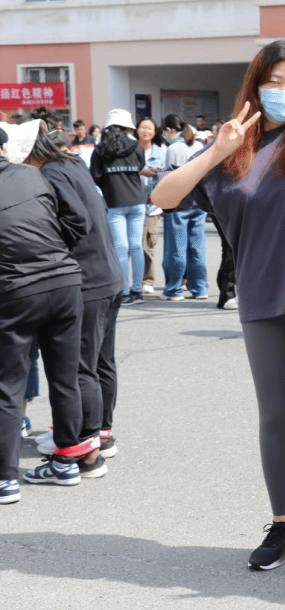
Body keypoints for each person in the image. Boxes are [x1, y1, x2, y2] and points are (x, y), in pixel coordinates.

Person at [151, 40, 285, 576]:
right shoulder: (230, 148)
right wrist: (216, 151)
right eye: (274, 81)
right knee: (275, 415)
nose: (284, 92)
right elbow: (163, 198)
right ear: (255, 84)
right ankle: (283, 525)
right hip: (260, 301)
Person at [26, 118, 123, 474]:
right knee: (100, 362)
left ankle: (85, 446)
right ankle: (101, 434)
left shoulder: (51, 174)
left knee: (81, 368)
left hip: (88, 279)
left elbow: (77, 220)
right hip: (108, 275)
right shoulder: (72, 164)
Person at [0, 125, 90, 503]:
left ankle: (5, 479)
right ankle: (67, 461)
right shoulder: (31, 174)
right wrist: (50, 254)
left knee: (8, 386)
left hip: (16, 291)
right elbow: (78, 221)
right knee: (65, 378)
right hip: (64, 282)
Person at [91, 109, 146, 305]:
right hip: (138, 201)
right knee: (136, 246)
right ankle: (138, 290)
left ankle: (124, 291)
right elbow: (141, 166)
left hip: (114, 202)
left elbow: (95, 176)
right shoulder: (137, 147)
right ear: (127, 127)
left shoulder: (100, 150)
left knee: (121, 248)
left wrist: (109, 185)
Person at [162, 122, 208, 301]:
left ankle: (174, 288)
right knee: (197, 248)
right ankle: (200, 288)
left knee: (176, 248)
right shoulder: (200, 147)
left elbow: (167, 177)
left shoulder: (173, 149)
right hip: (199, 202)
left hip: (179, 203)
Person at [137, 117, 167, 295]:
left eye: (149, 128)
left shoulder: (162, 152)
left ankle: (147, 279)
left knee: (148, 244)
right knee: (134, 244)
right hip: (134, 202)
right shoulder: (132, 150)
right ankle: (135, 279)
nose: (146, 131)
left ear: (155, 132)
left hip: (153, 205)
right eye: (143, 127)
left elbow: (166, 175)